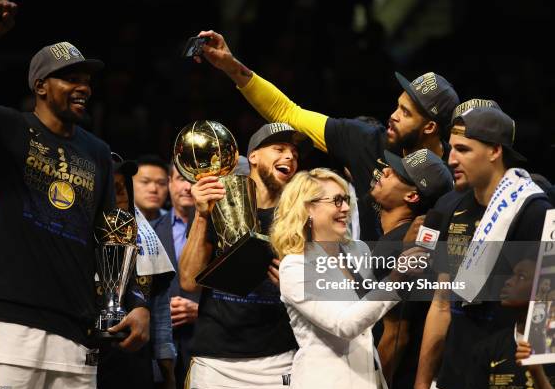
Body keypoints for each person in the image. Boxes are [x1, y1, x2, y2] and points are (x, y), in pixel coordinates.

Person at [0, 1, 149, 389]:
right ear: (40, 86)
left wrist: (135, 303)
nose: (84, 88)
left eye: (87, 81)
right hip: (11, 331)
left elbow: (115, 235)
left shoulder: (98, 151)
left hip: (78, 335)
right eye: (70, 78)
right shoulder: (8, 128)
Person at [194, 30, 459, 241]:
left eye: (406, 113)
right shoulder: (365, 139)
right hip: (366, 283)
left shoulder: (456, 173)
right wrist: (231, 68)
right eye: (398, 106)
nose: (394, 115)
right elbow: (286, 111)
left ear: (430, 128)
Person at [414, 106, 553, 389]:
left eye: (463, 150)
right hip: (448, 387)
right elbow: (441, 305)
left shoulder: (533, 212)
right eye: (451, 149)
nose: (451, 159)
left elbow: (546, 315)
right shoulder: (453, 209)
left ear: (494, 151)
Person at [179, 122, 311, 389]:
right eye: (279, 148)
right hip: (216, 360)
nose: (290, 156)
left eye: (294, 153)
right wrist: (201, 216)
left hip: (278, 360)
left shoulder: (302, 217)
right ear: (253, 156)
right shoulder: (216, 201)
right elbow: (189, 281)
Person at [270, 167, 407, 389]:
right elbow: (344, 325)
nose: (345, 208)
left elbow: (369, 317)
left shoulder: (358, 250)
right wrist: (395, 280)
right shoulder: (295, 266)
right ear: (308, 208)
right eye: (336, 201)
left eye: (345, 200)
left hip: (370, 386)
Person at [369, 149, 453, 389]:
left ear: (412, 195)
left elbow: (396, 334)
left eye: (395, 173)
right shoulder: (395, 239)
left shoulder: (405, 247)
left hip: (394, 387)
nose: (384, 171)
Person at [97, 154, 178, 389]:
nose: (118, 196)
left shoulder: (146, 237)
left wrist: (169, 379)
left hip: (133, 364)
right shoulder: (76, 236)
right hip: (82, 358)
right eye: (111, 188)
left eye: (122, 187)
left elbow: (161, 316)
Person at [465, 259, 555, 389]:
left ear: (543, 289)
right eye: (512, 275)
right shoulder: (488, 350)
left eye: (521, 277)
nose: (508, 282)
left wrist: (537, 373)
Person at [151, 163, 198, 389]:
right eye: (181, 178)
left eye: (194, 179)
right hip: (161, 348)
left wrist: (199, 311)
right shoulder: (150, 232)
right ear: (170, 182)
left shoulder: (220, 232)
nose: (188, 187)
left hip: (203, 345)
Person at [134, 154, 170, 221]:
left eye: (161, 183)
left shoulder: (173, 222)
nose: (153, 189)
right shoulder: (118, 221)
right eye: (145, 182)